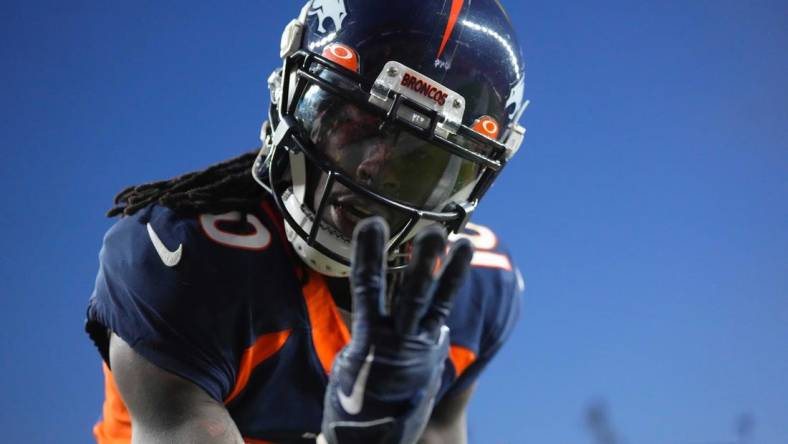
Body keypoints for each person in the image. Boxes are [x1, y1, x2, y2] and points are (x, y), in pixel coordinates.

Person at [85, 0, 528, 443]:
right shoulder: (181, 261)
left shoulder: (474, 291)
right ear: (291, 95)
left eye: (419, 160)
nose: (375, 166)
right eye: (357, 124)